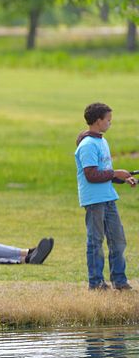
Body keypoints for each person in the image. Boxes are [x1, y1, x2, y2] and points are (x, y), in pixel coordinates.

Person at [75, 102, 137, 291]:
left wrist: (123, 178)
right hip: (94, 201)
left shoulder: (102, 141)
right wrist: (115, 173)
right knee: (95, 241)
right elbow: (92, 175)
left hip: (108, 197)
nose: (110, 123)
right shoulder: (87, 145)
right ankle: (96, 283)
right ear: (97, 121)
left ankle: (119, 280)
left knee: (118, 240)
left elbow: (106, 172)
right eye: (108, 120)